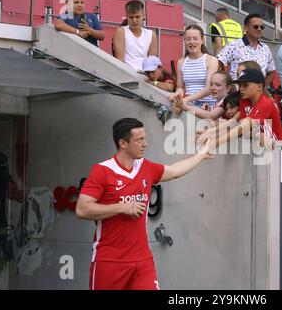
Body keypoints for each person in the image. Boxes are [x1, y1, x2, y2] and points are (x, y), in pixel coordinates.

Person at [76, 118, 212, 290]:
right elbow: (82, 209)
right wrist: (122, 207)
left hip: (142, 261)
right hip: (109, 261)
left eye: (145, 138)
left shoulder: (145, 167)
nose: (145, 144)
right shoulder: (102, 170)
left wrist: (200, 155)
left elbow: (175, 171)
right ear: (123, 143)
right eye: (139, 140)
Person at [199, 69, 282, 151]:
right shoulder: (244, 101)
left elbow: (241, 129)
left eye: (245, 85)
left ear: (259, 86)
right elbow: (242, 130)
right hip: (259, 147)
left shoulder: (265, 103)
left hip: (276, 147)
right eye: (240, 85)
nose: (241, 88)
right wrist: (210, 132)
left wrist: (216, 142)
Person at [217, 13, 276, 87]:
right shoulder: (234, 45)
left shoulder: (265, 48)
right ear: (245, 28)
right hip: (237, 94)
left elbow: (272, 71)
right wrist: (228, 84)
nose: (259, 29)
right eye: (255, 26)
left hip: (257, 96)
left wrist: (262, 87)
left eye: (262, 27)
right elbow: (218, 62)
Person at [170, 25, 219, 108]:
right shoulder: (181, 62)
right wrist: (178, 93)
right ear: (184, 40)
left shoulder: (211, 60)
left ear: (203, 40)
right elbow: (180, 87)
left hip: (207, 105)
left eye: (195, 39)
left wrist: (186, 99)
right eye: (188, 39)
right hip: (189, 104)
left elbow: (209, 89)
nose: (191, 42)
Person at [113, 0, 158, 72]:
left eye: (137, 17)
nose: (134, 20)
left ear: (143, 16)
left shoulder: (151, 35)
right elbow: (120, 61)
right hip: (126, 74)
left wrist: (144, 73)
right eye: (131, 17)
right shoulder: (121, 32)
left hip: (145, 76)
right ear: (126, 17)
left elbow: (152, 63)